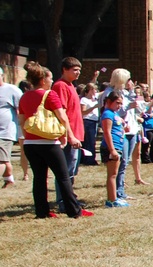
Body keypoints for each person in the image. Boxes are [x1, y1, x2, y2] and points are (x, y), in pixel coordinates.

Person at [15, 61, 92, 218]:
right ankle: (74, 210)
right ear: (43, 80)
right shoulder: (49, 95)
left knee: (39, 178)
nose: (52, 81)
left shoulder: (24, 97)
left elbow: (22, 121)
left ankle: (42, 212)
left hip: (30, 143)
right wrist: (68, 136)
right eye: (50, 78)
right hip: (49, 143)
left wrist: (28, 136)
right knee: (63, 177)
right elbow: (62, 117)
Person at [51, 57, 85, 211]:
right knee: (65, 171)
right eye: (74, 70)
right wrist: (69, 135)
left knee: (72, 170)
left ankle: (70, 198)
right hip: (68, 136)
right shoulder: (60, 86)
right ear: (64, 69)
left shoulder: (71, 86)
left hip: (76, 133)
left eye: (79, 70)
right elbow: (61, 113)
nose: (78, 73)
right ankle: (64, 202)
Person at [100, 91, 129, 207]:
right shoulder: (107, 114)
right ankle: (112, 200)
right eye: (117, 103)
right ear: (109, 102)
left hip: (118, 145)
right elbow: (107, 132)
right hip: (112, 147)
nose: (119, 106)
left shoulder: (114, 114)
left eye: (121, 103)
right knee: (112, 174)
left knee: (115, 174)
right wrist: (112, 150)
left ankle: (114, 197)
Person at [0, 66, 22, 188]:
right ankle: (9, 180)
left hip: (5, 131)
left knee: (1, 159)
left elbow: (21, 109)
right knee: (5, 158)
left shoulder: (12, 90)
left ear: (2, 76)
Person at [79, 83, 100, 165]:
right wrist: (93, 107)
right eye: (95, 89)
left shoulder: (95, 99)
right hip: (87, 121)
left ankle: (90, 159)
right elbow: (83, 112)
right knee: (89, 141)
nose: (96, 91)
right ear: (90, 90)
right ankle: (88, 160)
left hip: (94, 121)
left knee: (92, 141)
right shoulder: (84, 99)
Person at [139, 91, 153, 164]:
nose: (150, 98)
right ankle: (145, 159)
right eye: (148, 96)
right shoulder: (144, 105)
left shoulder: (152, 106)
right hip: (147, 127)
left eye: (150, 96)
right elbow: (149, 114)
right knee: (146, 144)